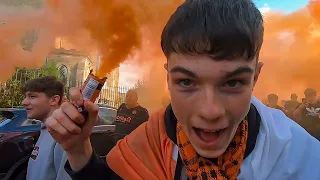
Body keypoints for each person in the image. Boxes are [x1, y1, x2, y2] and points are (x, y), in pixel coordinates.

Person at [45, 0, 320, 179]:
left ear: (256, 77)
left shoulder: (299, 157)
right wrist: (79, 151)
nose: (210, 111)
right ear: (168, 80)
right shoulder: (147, 143)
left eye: (233, 83)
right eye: (186, 82)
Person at [23, 76, 71, 180]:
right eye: (26, 96)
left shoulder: (63, 134)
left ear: (54, 100)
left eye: (32, 96)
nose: (24, 102)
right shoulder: (45, 130)